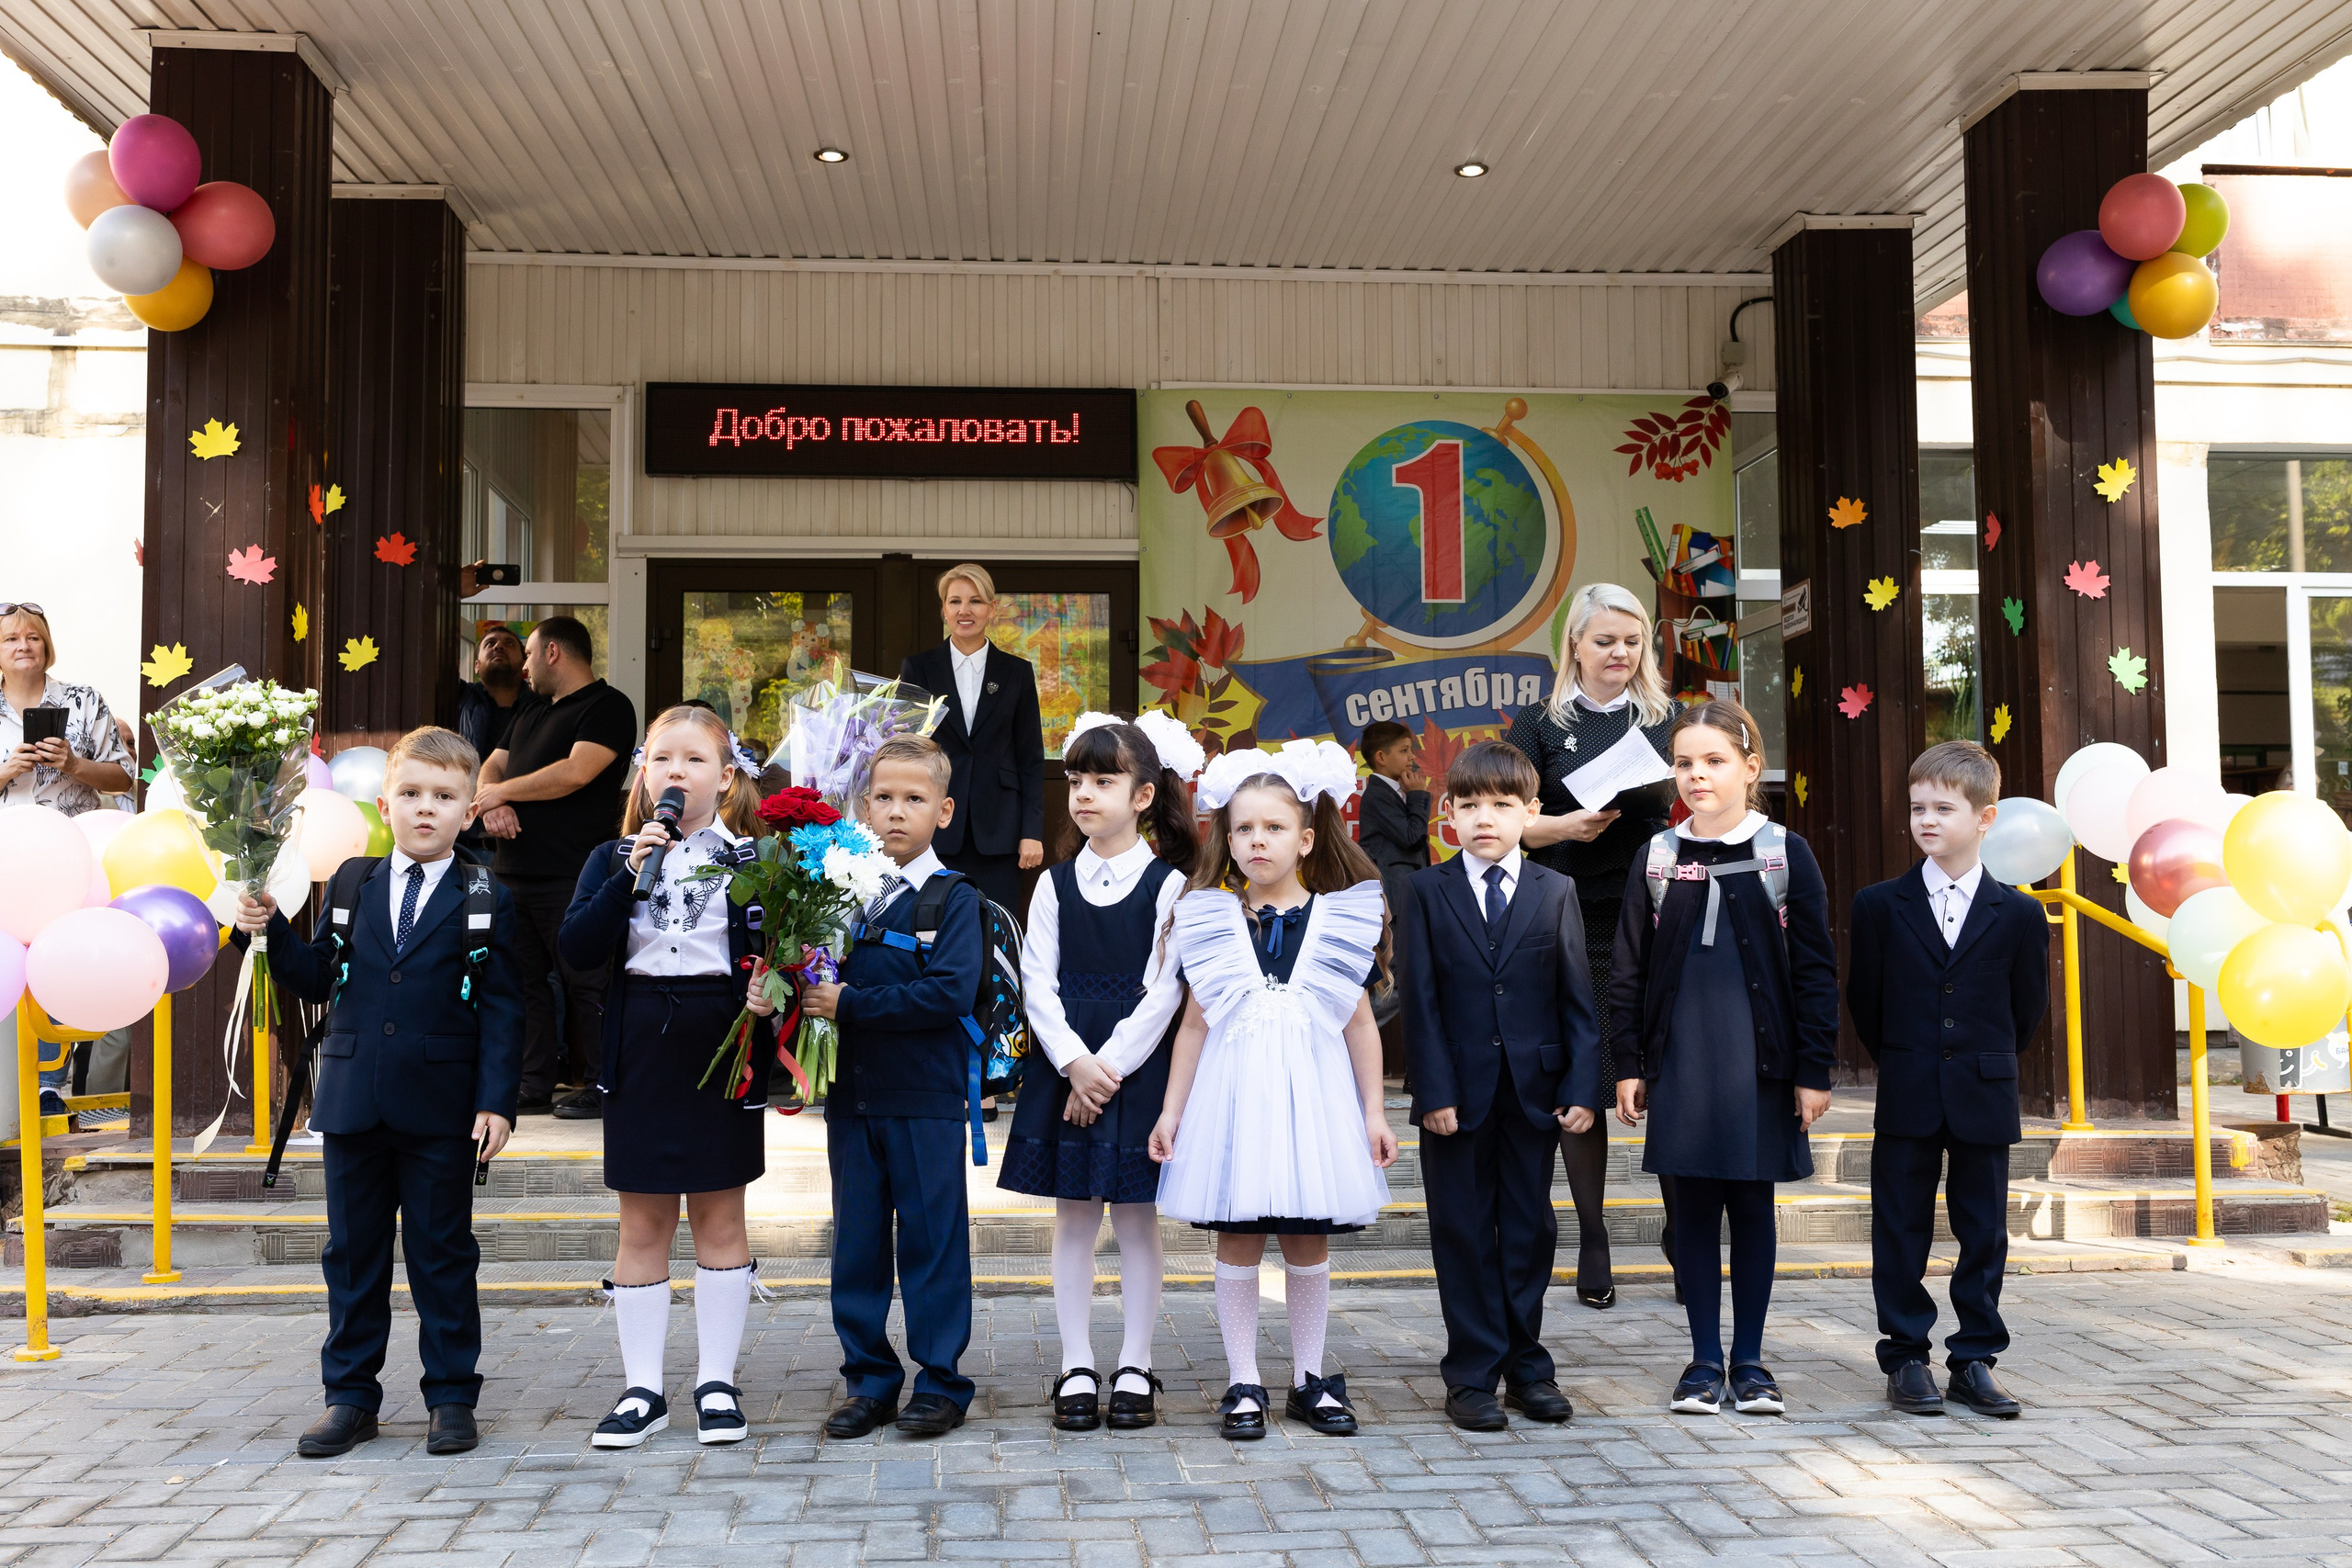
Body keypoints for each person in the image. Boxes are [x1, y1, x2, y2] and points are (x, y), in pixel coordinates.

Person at [228, 727, 524, 1460]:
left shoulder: (487, 893)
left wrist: (497, 1102)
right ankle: (351, 1395)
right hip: (355, 1098)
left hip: (443, 1106)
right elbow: (318, 974)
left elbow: (506, 1005)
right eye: (413, 794)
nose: (427, 809)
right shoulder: (354, 881)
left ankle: (451, 1394)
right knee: (353, 1253)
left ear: (468, 810)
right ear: (386, 802)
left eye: (445, 797)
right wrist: (262, 934)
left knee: (442, 1253)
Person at [1150, 741, 1396, 1441]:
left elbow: (1359, 1026)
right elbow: (1194, 1025)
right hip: (1234, 1102)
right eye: (1244, 828)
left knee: (1307, 1238)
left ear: (1307, 837)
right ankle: (1242, 1380)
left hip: (1312, 1104)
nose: (1258, 840)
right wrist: (1173, 1112)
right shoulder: (1209, 916)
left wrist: (1374, 1112)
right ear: (1226, 837)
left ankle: (1309, 1378)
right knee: (1237, 1238)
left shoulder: (1341, 916)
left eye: (1274, 827)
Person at [558, 705, 778, 1449]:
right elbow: (579, 949)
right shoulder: (611, 856)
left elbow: (785, 958)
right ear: (643, 774)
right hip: (640, 1042)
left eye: (692, 760)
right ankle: (642, 1388)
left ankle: (716, 1381)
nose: (675, 773)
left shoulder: (755, 861)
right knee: (644, 1218)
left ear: (727, 775)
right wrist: (627, 872)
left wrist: (769, 989)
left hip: (721, 1034)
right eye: (661, 760)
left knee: (720, 1214)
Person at [1613, 699, 1838, 1419]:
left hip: (1759, 1066)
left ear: (1750, 766)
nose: (1697, 774)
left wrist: (1814, 1069)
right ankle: (1703, 1359)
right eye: (1684, 762)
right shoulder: (1657, 856)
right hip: (1681, 1064)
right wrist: (1628, 1062)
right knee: (1692, 1214)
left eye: (1713, 760)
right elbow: (1628, 971)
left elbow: (1814, 970)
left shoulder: (1783, 853)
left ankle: (1751, 1360)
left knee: (1753, 1206)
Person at [999, 713, 1200, 1433]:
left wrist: (1106, 1067)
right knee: (1074, 1217)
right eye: (1077, 780)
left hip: (1133, 1071)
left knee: (1140, 1222)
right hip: (1066, 1067)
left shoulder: (1172, 885)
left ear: (1143, 795)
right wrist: (1074, 1064)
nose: (1084, 794)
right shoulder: (1054, 883)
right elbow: (1037, 982)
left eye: (1103, 781)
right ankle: (1077, 1360)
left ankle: (1137, 1362)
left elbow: (1167, 991)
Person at [1399, 741, 1600, 1432]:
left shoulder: (1557, 890)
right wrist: (1432, 1092)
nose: (1485, 817)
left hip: (1533, 1090)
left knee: (1529, 1227)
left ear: (1532, 811)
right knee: (1461, 1228)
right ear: (1448, 812)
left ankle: (1527, 1366)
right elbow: (1420, 1000)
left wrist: (1582, 1083)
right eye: (1470, 804)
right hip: (1456, 1092)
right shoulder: (1425, 891)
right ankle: (1471, 1374)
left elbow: (1577, 996)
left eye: (1503, 804)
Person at [1848, 740, 2049, 1421]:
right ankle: (1906, 1354)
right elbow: (1866, 1001)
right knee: (1899, 1225)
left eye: (1943, 807)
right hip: (1907, 1087)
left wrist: (1978, 1058)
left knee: (1984, 1228)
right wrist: (1910, 1056)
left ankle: (1974, 1358)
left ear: (1985, 816)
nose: (1926, 819)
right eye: (1917, 808)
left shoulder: (2019, 914)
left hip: (1984, 1092)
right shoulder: (1879, 905)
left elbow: (2026, 1012)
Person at [799, 734, 987, 1440]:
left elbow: (948, 993)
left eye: (914, 799)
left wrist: (849, 1004)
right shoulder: (838, 894)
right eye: (884, 797)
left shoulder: (953, 897)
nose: (896, 812)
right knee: (857, 1245)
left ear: (943, 810)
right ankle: (869, 1380)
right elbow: (806, 978)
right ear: (863, 805)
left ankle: (941, 1382)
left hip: (928, 1099)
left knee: (934, 1242)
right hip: (852, 1098)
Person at [1503, 583, 1679, 1309]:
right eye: (1605, 640)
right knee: (1587, 1075)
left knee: (1665, 1066)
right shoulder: (1540, 724)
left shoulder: (1667, 721)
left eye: (1632, 641)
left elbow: (1703, 802)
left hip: (1658, 911)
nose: (1620, 653)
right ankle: (1593, 1232)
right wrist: (1562, 827)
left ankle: (1683, 1222)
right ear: (1574, 642)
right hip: (1569, 914)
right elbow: (1504, 819)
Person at [474, 615, 639, 1119]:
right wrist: (491, 799)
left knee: (587, 982)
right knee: (521, 983)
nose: (522, 666)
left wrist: (500, 793)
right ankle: (532, 1083)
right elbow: (494, 765)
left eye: (528, 654)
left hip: (574, 871)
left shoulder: (608, 706)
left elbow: (575, 772)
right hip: (511, 871)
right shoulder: (529, 707)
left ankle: (600, 1082)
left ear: (553, 654)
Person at [0, 604, 136, 1118]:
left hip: (75, 855)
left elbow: (124, 778)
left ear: (47, 645)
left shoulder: (82, 701)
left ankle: (53, 1086)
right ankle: (24, 1088)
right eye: (11, 638)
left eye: (33, 636)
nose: (23, 645)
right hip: (8, 860)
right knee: (17, 969)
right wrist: (7, 769)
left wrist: (75, 765)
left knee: (63, 959)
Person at [897, 562, 1045, 918]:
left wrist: (1032, 832)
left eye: (975, 601)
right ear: (943, 610)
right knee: (932, 927)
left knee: (995, 927)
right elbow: (904, 749)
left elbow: (1030, 757)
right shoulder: (918, 668)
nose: (965, 611)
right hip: (933, 824)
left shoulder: (1017, 672)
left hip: (999, 829)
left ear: (991, 609)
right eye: (955, 601)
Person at [456, 624, 535, 764]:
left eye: (509, 643)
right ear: (476, 666)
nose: (498, 646)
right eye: (490, 643)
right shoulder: (458, 695)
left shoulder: (540, 705)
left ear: (524, 665)